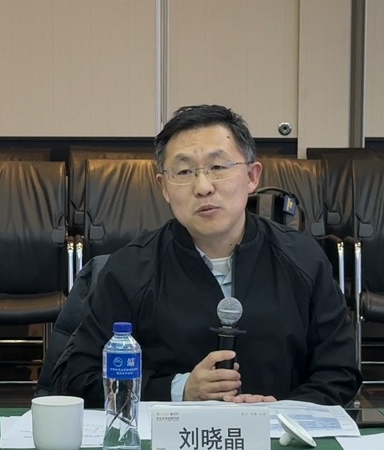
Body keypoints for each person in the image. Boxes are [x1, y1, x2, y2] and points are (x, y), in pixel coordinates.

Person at [59, 104, 361, 407]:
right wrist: (178, 390)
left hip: (282, 432)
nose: (203, 187)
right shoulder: (129, 271)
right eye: (184, 172)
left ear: (252, 176)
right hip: (175, 435)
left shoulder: (304, 259)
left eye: (218, 167)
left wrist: (279, 413)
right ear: (164, 188)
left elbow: (339, 372)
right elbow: (82, 378)